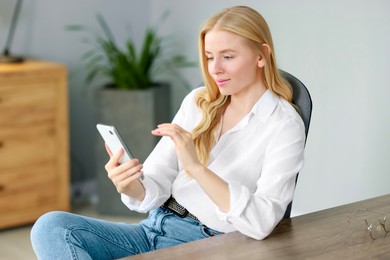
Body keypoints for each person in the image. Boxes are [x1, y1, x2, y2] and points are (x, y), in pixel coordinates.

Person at [31, 5, 305, 259]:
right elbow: (156, 183)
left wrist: (197, 168)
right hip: (154, 228)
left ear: (262, 55)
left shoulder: (284, 124)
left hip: (212, 243)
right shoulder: (199, 102)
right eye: (210, 58)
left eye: (228, 57)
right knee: (51, 227)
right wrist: (131, 186)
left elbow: (261, 221)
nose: (215, 70)